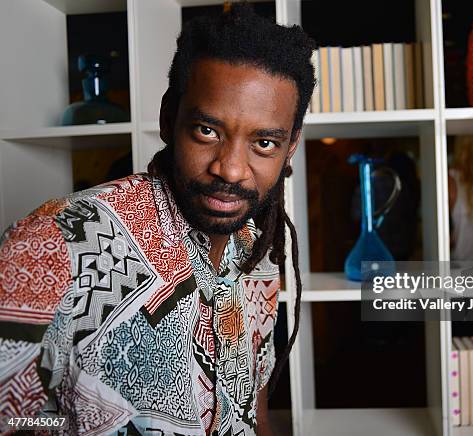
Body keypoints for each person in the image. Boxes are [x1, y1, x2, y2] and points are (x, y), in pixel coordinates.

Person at [0, 5, 315, 435]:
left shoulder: (257, 255)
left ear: (290, 145)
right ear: (169, 118)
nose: (231, 168)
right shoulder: (57, 244)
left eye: (263, 142)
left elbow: (250, 410)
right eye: (208, 131)